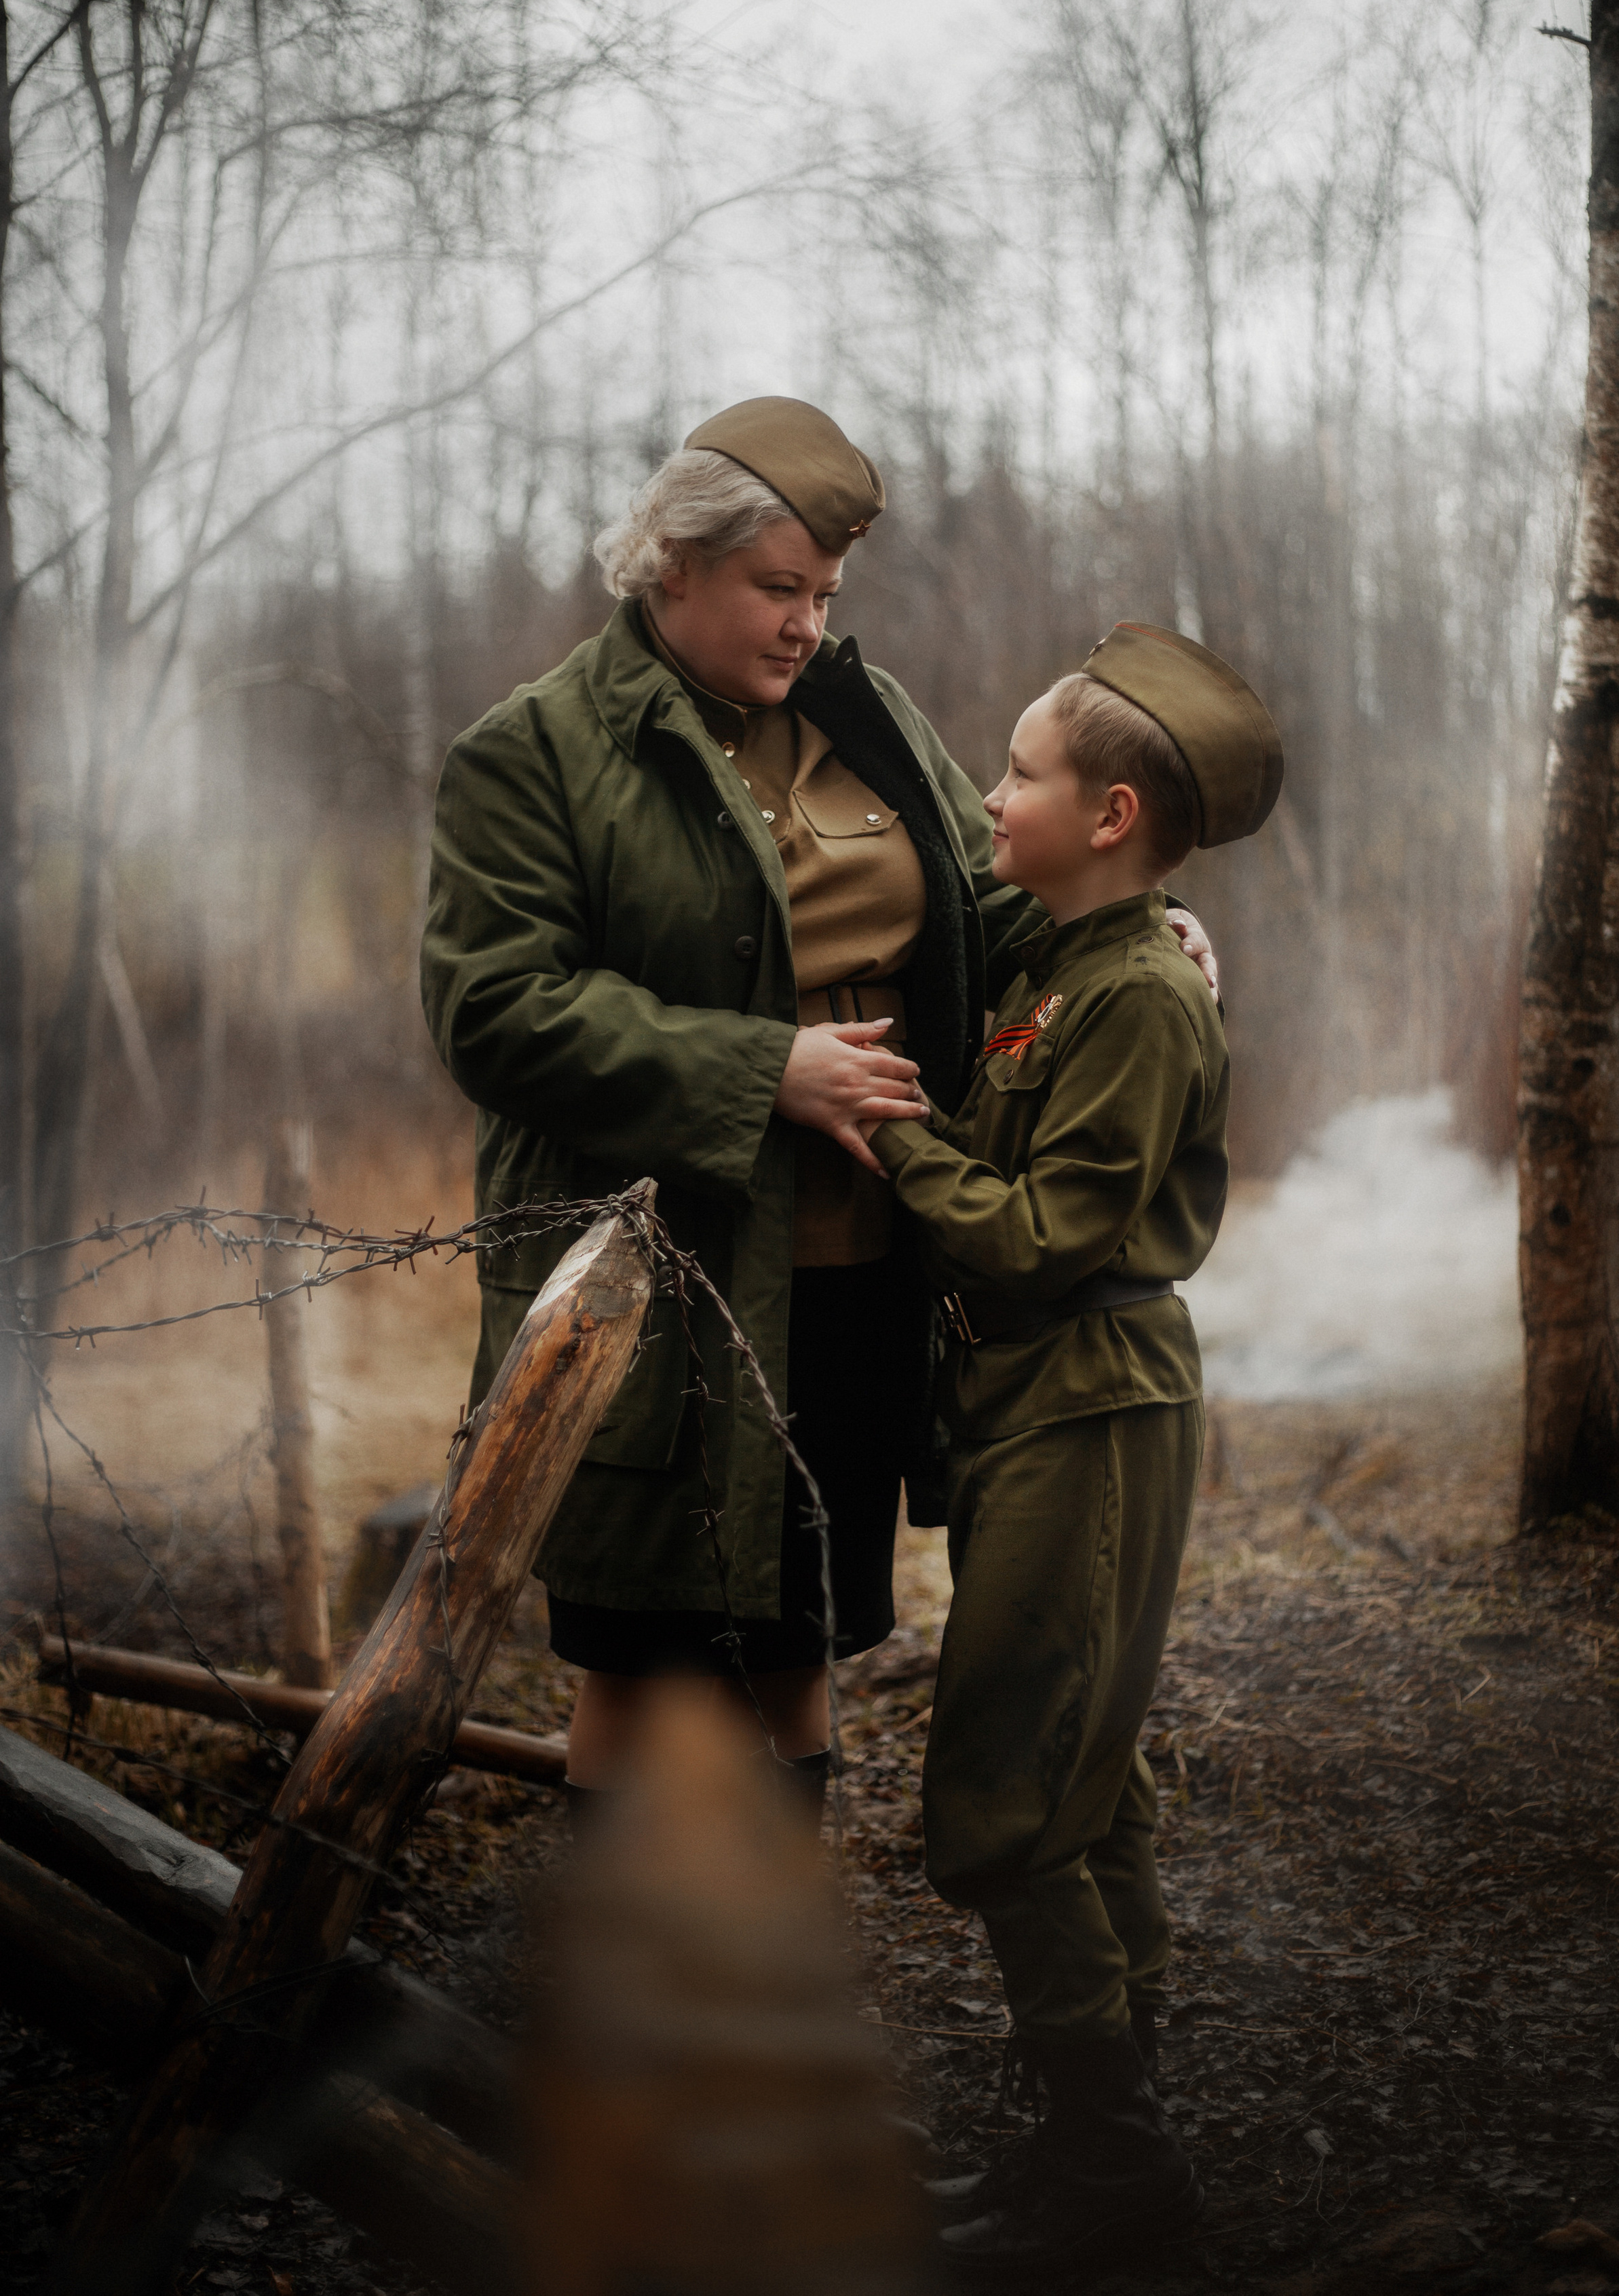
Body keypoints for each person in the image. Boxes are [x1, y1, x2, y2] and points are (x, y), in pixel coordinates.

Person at [419, 400, 1220, 1813]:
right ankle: (636, 1998)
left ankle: (770, 1967)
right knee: (646, 1660)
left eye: (823, 594)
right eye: (775, 589)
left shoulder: (866, 716)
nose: (805, 625)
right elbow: (495, 1011)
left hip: (858, 1282)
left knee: (798, 1636)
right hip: (663, 1298)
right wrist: (760, 1069)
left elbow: (982, 908)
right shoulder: (534, 752)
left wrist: (1135, 929)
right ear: (670, 561)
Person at [856, 622, 1282, 2276]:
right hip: (1039, 1405)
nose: (987, 793)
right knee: (1076, 1787)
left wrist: (896, 1143)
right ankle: (1099, 2152)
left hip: (1090, 1399)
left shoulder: (1140, 1001)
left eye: (1019, 773)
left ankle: (1115, 2164)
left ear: (1107, 815)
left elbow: (1038, 1235)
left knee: (1006, 1799)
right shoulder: (1058, 963)